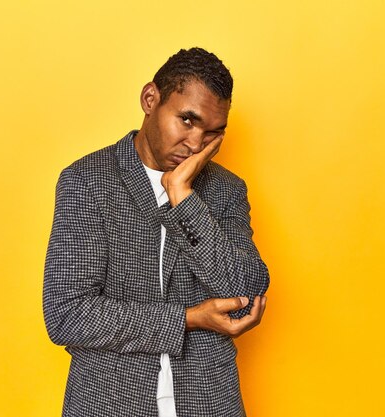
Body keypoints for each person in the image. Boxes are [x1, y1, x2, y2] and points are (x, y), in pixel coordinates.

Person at [43, 47, 269, 417]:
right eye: (187, 121)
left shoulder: (226, 190)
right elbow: (68, 314)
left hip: (209, 401)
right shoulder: (86, 181)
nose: (196, 144)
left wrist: (182, 194)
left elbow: (245, 290)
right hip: (108, 402)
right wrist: (187, 318)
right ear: (151, 99)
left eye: (213, 133)